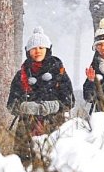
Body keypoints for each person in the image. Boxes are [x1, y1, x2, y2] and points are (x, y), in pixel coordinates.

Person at [7, 26, 75, 164]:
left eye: (41, 48)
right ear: (28, 51)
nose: (37, 51)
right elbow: (11, 105)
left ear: (47, 50)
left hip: (55, 126)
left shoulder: (59, 72)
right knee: (25, 163)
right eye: (34, 48)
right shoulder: (21, 75)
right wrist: (24, 107)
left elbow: (70, 100)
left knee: (54, 162)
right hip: (26, 128)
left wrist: (55, 106)